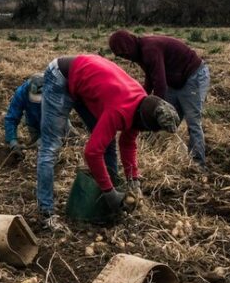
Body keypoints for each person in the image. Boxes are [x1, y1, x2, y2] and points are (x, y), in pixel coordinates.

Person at [37, 54, 179, 228]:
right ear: (143, 121)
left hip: (87, 80)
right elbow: (91, 153)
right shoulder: (120, 110)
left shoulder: (144, 104)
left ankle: (108, 203)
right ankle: (46, 212)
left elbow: (127, 143)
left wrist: (133, 180)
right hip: (61, 75)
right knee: (50, 147)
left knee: (107, 140)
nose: (140, 131)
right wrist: (109, 192)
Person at [108, 29, 211, 167]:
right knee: (166, 119)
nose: (125, 58)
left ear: (129, 45)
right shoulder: (140, 53)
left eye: (124, 54)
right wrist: (138, 101)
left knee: (192, 122)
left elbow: (160, 84)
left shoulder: (149, 50)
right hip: (175, 81)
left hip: (193, 77)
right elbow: (151, 79)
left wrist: (154, 107)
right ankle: (163, 157)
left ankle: (198, 164)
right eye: (121, 56)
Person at [3, 75, 45, 157]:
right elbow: (11, 118)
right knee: (38, 152)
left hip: (55, 123)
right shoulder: (21, 93)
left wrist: (45, 138)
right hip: (34, 123)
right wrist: (12, 141)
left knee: (69, 140)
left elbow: (59, 117)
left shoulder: (54, 92)